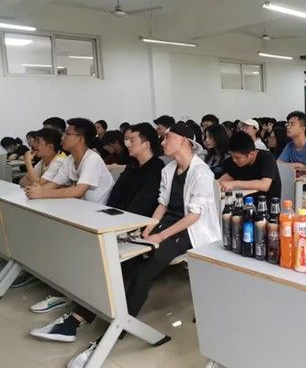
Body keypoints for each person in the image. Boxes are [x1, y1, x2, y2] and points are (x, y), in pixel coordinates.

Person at [32, 122, 220, 368]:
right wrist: (149, 228)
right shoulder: (169, 169)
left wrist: (159, 236)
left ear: (184, 141)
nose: (163, 142)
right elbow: (162, 205)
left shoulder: (202, 173)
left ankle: (110, 336)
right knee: (123, 260)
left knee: (145, 268)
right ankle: (76, 319)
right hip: (165, 224)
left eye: (168, 138)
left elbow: (194, 216)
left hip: (189, 231)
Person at [28, 123, 163, 318]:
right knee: (66, 240)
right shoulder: (132, 166)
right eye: (126, 140)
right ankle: (68, 293)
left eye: (131, 140)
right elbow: (116, 196)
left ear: (146, 143)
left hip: (130, 225)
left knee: (86, 251)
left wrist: (116, 222)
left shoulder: (157, 168)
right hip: (107, 216)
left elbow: (142, 204)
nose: (126, 144)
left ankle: (80, 308)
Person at [24, 118, 114, 204]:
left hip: (98, 209)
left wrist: (42, 192)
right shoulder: (69, 160)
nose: (62, 137)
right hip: (80, 206)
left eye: (67, 133)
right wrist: (38, 189)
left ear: (80, 139)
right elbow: (53, 184)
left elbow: (79, 191)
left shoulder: (92, 158)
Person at [219, 132, 281, 203]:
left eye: (237, 157)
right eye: (232, 156)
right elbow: (223, 181)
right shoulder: (235, 161)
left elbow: (264, 185)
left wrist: (233, 183)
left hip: (265, 205)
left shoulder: (266, 157)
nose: (234, 160)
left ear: (251, 154)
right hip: (241, 204)